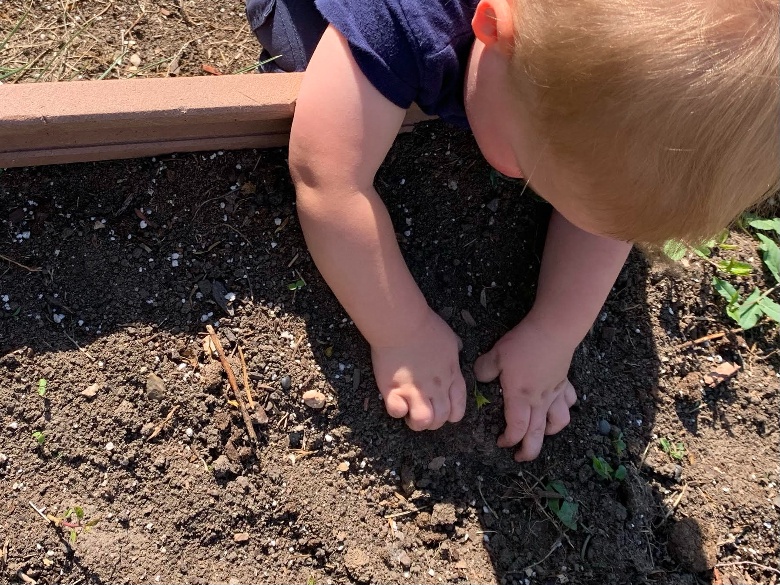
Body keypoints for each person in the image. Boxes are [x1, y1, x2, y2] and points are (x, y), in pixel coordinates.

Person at [245, 0, 780, 461]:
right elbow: (328, 177)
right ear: (490, 29)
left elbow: (607, 217)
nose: (534, 192)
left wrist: (555, 333)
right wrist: (402, 332)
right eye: (532, 171)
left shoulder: (571, 59)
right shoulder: (407, 17)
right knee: (309, 70)